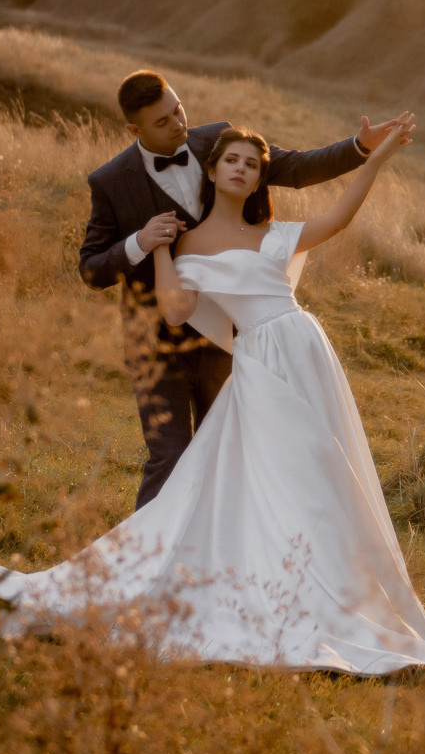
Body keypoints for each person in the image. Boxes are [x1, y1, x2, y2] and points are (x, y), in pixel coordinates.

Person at [0, 114, 425, 678]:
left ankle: (327, 583)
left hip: (307, 350)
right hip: (260, 360)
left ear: (260, 177)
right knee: (284, 471)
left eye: (252, 164)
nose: (241, 169)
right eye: (231, 160)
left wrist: (376, 160)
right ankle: (281, 586)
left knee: (322, 470)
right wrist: (155, 250)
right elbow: (176, 308)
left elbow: (337, 218)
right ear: (214, 170)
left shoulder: (275, 231)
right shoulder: (189, 244)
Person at [78, 70, 407, 509]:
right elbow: (92, 269)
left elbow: (292, 166)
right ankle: (149, 566)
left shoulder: (218, 142)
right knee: (170, 458)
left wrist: (360, 148)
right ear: (135, 130)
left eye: (178, 109)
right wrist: (141, 242)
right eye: (163, 121)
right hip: (156, 344)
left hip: (229, 341)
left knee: (230, 455)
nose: (178, 123)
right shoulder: (111, 181)